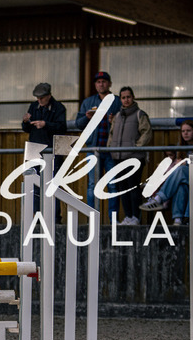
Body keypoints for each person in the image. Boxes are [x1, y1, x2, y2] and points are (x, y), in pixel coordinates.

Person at [75, 71, 122, 221]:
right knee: (93, 185)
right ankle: (93, 219)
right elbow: (78, 124)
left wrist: (115, 121)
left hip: (111, 150)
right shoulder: (88, 102)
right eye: (98, 82)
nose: (101, 84)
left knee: (113, 185)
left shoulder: (117, 101)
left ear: (110, 84)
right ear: (95, 85)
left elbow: (126, 123)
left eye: (104, 81)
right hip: (93, 149)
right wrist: (87, 118)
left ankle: (113, 219)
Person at [22, 82, 67, 222]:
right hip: (35, 148)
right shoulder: (33, 106)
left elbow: (62, 128)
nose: (39, 100)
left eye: (41, 97)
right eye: (37, 98)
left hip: (53, 149)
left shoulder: (59, 108)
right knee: (34, 184)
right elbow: (26, 129)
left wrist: (46, 124)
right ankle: (37, 216)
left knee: (53, 183)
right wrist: (25, 122)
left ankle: (55, 217)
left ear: (49, 96)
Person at [107, 87, 153, 225]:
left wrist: (136, 146)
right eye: (123, 97)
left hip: (134, 158)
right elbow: (111, 134)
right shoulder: (117, 116)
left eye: (128, 97)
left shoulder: (140, 114)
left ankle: (136, 217)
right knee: (122, 188)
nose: (126, 100)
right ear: (120, 99)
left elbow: (147, 132)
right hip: (118, 157)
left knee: (133, 187)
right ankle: (128, 216)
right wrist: (110, 148)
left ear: (133, 97)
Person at [140, 120, 193, 225]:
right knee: (181, 186)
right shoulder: (180, 147)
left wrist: (186, 163)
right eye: (183, 131)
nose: (185, 133)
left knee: (181, 170)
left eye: (188, 131)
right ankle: (178, 219)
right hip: (186, 179)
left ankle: (159, 198)